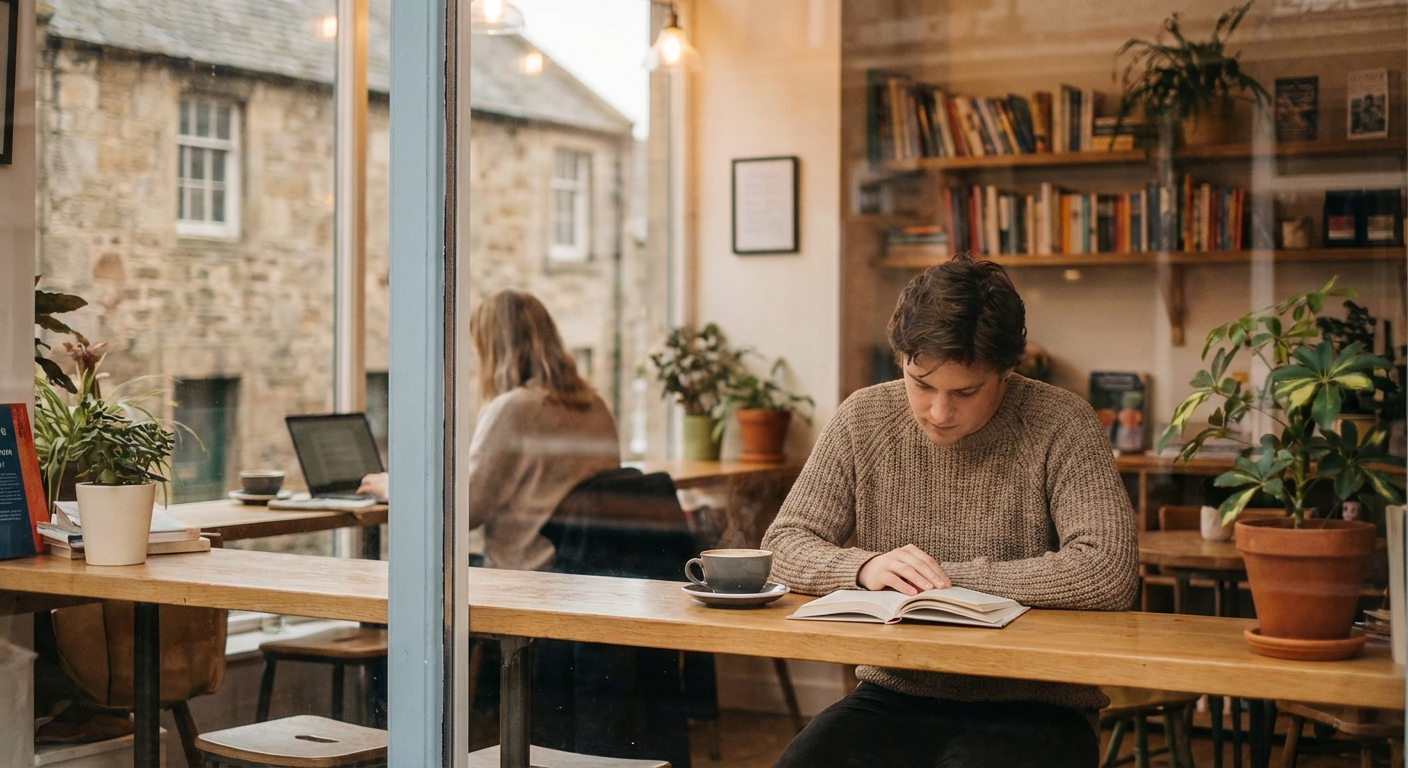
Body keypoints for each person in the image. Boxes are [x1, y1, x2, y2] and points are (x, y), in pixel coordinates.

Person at [762, 254, 1138, 767]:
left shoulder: (1063, 423)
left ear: (1007, 371)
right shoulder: (861, 419)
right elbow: (782, 545)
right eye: (922, 384)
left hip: (1036, 704)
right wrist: (865, 568)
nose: (939, 413)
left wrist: (942, 584)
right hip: (895, 693)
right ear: (901, 359)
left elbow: (1107, 571)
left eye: (966, 392)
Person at [360, 289, 619, 570]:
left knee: (408, 577)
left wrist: (398, 488)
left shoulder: (513, 408)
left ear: (494, 350)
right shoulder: (595, 405)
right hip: (579, 571)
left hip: (525, 574)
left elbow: (463, 511)